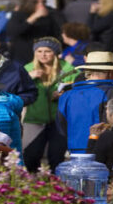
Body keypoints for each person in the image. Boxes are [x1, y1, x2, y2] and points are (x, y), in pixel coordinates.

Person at [57, 51, 113, 159]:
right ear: (111, 73)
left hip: (75, 151)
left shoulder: (66, 95)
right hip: (106, 151)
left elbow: (61, 126)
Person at [23, 37, 78, 172]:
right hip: (34, 120)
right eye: (39, 51)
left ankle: (56, 188)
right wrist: (29, 77)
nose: (43, 55)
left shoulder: (68, 69)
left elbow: (77, 90)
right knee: (31, 156)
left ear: (56, 53)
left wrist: (64, 95)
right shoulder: (27, 69)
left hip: (59, 120)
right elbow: (16, 88)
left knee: (56, 157)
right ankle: (32, 187)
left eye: (47, 51)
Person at [6, 0, 62, 64]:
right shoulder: (19, 14)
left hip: (43, 56)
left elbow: (56, 33)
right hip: (22, 56)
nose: (41, 5)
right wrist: (34, 17)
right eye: (36, 2)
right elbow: (13, 32)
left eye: (43, 2)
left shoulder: (49, 14)